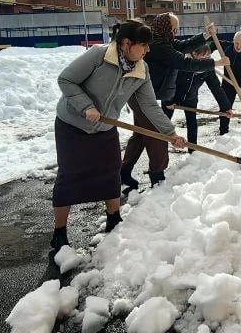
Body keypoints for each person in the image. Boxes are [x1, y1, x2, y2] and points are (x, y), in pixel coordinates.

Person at [51, 21, 187, 259]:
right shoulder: (98, 55)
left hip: (105, 127)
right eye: (143, 45)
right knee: (70, 175)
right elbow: (66, 80)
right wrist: (86, 106)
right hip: (72, 124)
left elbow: (149, 105)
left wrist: (170, 133)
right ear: (127, 43)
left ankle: (114, 218)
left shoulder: (140, 70)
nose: (147, 50)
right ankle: (60, 232)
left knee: (110, 171)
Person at [120, 13, 227, 189]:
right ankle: (157, 176)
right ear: (165, 28)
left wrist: (205, 35)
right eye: (174, 29)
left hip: (147, 94)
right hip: (144, 97)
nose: (176, 32)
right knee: (159, 135)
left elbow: (184, 46)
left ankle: (124, 171)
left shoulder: (164, 41)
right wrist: (215, 63)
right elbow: (185, 63)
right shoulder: (158, 45)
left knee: (140, 134)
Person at [163, 44, 233, 152]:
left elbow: (216, 88)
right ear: (194, 54)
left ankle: (193, 152)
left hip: (190, 98)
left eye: (208, 58)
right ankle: (159, 147)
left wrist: (226, 107)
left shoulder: (208, 69)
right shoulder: (182, 62)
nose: (206, 62)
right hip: (172, 96)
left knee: (192, 124)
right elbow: (168, 82)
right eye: (203, 59)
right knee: (163, 123)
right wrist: (168, 101)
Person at [218, 31, 241, 134]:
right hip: (228, 83)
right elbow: (212, 42)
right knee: (225, 107)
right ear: (233, 41)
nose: (238, 46)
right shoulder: (227, 48)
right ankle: (223, 132)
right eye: (237, 43)